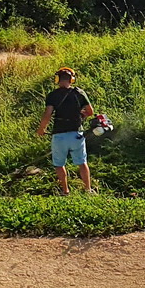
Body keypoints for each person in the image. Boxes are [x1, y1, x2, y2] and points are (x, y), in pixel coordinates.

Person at [35, 67, 97, 195]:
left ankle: (65, 191)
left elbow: (47, 114)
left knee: (59, 164)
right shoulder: (79, 93)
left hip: (59, 135)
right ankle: (88, 189)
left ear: (57, 79)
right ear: (72, 79)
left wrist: (41, 129)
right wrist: (82, 115)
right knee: (82, 163)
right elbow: (90, 111)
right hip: (76, 134)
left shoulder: (53, 95)